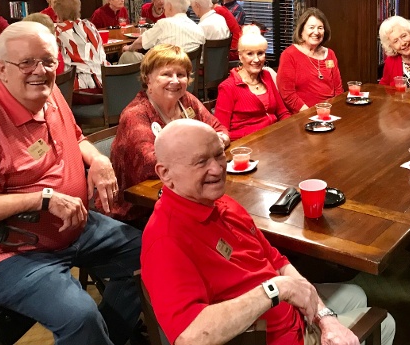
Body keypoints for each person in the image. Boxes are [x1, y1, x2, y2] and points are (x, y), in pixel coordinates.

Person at [0, 21, 142, 345]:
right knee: (80, 316)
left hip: (72, 228)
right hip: (7, 252)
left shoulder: (49, 97)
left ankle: (107, 337)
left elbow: (76, 137)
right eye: (27, 63)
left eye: (48, 61)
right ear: (1, 69)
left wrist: (98, 159)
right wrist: (42, 198)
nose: (41, 71)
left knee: (151, 254)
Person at [141, 119, 396, 345]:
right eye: (201, 162)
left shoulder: (220, 202)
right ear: (165, 174)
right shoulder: (166, 240)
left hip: (287, 312)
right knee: (386, 323)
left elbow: (277, 261)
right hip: (275, 336)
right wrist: (275, 290)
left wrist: (324, 318)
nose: (218, 169)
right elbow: (190, 336)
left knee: (355, 295)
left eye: (219, 155)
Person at [108, 44, 229, 225]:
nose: (175, 80)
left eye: (181, 75)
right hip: (138, 210)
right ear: (148, 78)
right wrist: (206, 150)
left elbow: (219, 129)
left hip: (184, 193)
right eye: (166, 74)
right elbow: (151, 163)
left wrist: (215, 142)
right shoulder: (136, 113)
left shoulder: (186, 101)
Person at [215, 31, 290, 140]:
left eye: (260, 53)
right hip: (246, 145)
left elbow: (283, 113)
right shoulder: (228, 87)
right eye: (250, 54)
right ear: (240, 56)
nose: (256, 59)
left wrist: (290, 130)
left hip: (274, 139)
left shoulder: (267, 76)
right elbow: (221, 131)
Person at [277, 8, 343, 113]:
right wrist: (310, 114)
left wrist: (335, 110)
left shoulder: (330, 54)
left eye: (320, 28)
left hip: (331, 113)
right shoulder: (289, 55)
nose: (316, 32)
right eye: (311, 27)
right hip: (303, 115)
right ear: (301, 30)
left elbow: (338, 90)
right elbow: (287, 94)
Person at [54, 0, 108, 103]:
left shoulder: (57, 31)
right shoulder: (90, 26)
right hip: (105, 87)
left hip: (79, 91)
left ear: (57, 12)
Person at [121, 0, 205, 62]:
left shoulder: (164, 23)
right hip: (187, 71)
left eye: (164, 8)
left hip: (163, 68)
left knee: (127, 55)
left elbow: (141, 42)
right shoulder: (197, 27)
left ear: (169, 7)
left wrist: (129, 47)